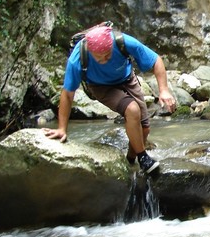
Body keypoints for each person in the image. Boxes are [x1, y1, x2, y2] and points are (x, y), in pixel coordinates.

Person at [43, 24, 176, 174]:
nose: (106, 59)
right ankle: (143, 157)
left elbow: (156, 60)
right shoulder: (78, 58)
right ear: (91, 51)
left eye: (108, 54)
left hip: (127, 79)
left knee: (144, 128)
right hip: (100, 86)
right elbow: (67, 94)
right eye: (101, 58)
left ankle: (131, 162)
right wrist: (62, 128)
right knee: (132, 110)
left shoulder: (123, 42)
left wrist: (164, 90)